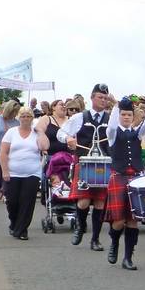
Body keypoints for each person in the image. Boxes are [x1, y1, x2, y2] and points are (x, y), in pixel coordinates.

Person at [103, 95, 145, 269]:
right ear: (120, 115)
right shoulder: (113, 133)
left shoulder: (138, 133)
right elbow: (112, 125)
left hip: (135, 179)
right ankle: (114, 243)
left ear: (132, 116)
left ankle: (128, 257)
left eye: (129, 115)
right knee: (118, 221)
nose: (126, 117)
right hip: (118, 178)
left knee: (132, 220)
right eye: (123, 115)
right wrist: (116, 106)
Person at [58, 84, 115, 250]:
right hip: (83, 163)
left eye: (105, 98)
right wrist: (68, 139)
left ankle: (95, 239)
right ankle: (80, 227)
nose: (103, 101)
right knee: (83, 202)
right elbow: (60, 133)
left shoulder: (111, 119)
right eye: (100, 97)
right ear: (92, 98)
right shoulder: (80, 117)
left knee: (99, 203)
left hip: (103, 164)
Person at [0, 107, 41, 240]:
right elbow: (3, 152)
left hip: (32, 172)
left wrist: (41, 132)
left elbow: (45, 147)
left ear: (32, 118)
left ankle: (22, 229)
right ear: (18, 117)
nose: (25, 118)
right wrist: (5, 170)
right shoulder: (11, 132)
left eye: (28, 116)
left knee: (27, 202)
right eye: (22, 116)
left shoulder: (36, 133)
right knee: (12, 201)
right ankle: (14, 223)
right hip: (13, 172)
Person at [0, 101, 21, 201]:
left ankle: (6, 191)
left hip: (11, 152)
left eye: (16, 112)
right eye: (14, 112)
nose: (15, 114)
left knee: (7, 173)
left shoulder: (17, 122)